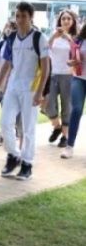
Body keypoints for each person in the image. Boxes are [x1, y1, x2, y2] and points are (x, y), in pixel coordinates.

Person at [0, 2, 50, 180]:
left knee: (28, 128)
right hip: (13, 86)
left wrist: (40, 92)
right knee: (5, 123)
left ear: (31, 17)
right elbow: (9, 62)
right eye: (17, 16)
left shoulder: (39, 38)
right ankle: (14, 155)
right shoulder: (11, 37)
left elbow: (46, 67)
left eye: (23, 16)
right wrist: (0, 81)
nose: (19, 20)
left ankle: (27, 163)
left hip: (30, 88)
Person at [46, 9, 77, 148]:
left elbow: (77, 52)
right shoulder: (54, 35)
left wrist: (68, 38)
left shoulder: (75, 37)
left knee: (66, 107)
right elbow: (45, 49)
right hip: (53, 74)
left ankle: (65, 136)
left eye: (68, 19)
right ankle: (57, 127)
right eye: (63, 18)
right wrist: (54, 36)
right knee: (48, 105)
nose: (65, 21)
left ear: (73, 21)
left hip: (68, 75)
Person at [63, 21, 86, 158]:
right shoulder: (79, 39)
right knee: (76, 109)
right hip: (79, 78)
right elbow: (69, 60)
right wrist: (72, 62)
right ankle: (69, 146)